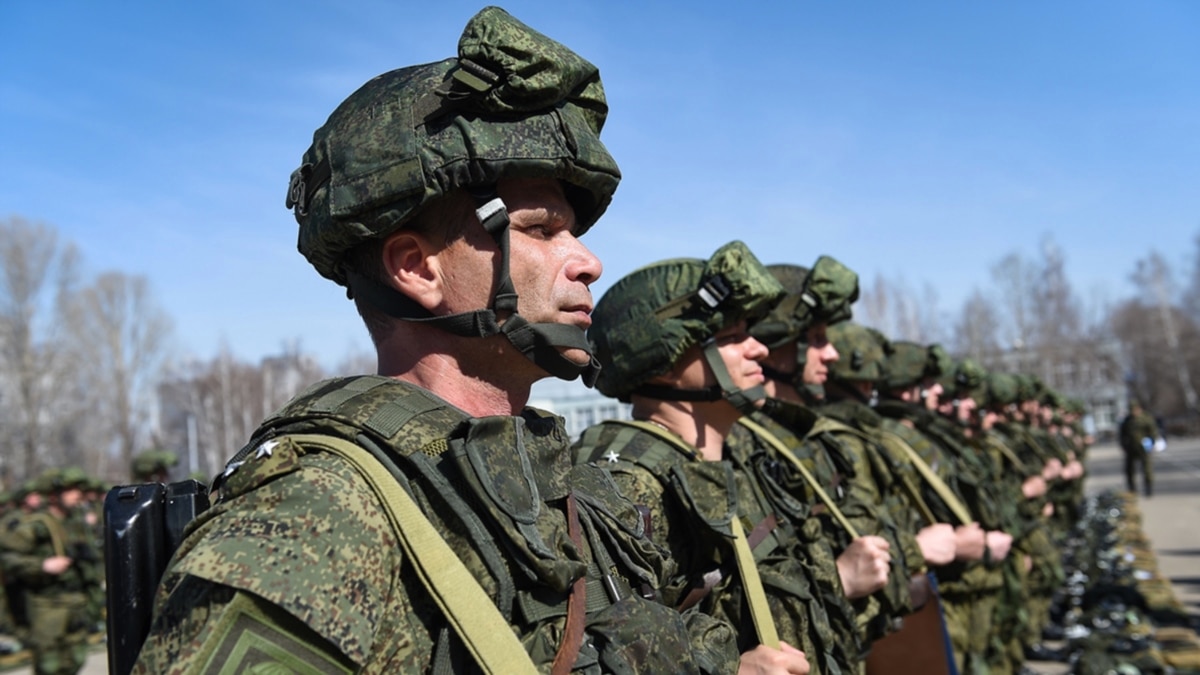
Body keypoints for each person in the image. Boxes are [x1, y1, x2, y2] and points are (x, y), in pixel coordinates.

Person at [133, 8, 749, 673]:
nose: (589, 261)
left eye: (574, 231)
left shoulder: (559, 486)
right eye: (541, 229)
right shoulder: (317, 520)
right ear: (417, 268)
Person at [576, 241, 849, 675]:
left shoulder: (736, 460)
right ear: (663, 360)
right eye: (731, 337)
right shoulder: (628, 487)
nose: (759, 349)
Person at [0, 469, 102, 675]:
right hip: (48, 605)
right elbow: (8, 558)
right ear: (54, 495)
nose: (78, 495)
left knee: (75, 659)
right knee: (49, 666)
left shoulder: (78, 522)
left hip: (77, 601)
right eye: (70, 490)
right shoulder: (37, 524)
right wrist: (42, 565)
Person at [1118, 400, 1159, 497]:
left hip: (1144, 448)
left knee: (1147, 469)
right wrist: (1124, 445)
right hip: (1131, 448)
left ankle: (1148, 488)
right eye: (1131, 410)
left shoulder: (1146, 419)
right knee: (1129, 470)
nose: (1133, 412)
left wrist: (1151, 443)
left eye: (1134, 409)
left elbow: (1153, 432)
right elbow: (1122, 434)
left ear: (1139, 408)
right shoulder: (1127, 420)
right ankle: (1132, 489)